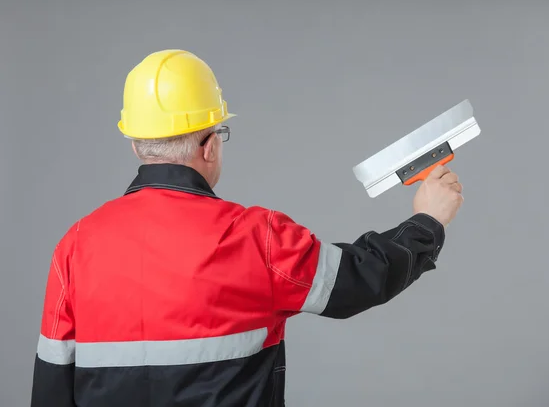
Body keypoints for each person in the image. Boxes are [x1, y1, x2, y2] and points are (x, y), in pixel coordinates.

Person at [30, 49, 464, 407]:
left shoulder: (76, 244)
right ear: (211, 145)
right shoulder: (258, 238)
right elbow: (356, 279)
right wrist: (427, 222)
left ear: (135, 143)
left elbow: (51, 387)